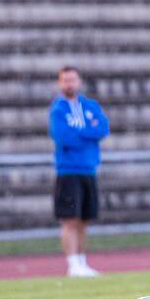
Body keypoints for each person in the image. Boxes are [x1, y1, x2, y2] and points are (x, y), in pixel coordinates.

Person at [48, 66, 109, 277]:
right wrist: (87, 133)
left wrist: (81, 133)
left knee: (84, 219)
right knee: (69, 219)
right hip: (68, 171)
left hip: (88, 169)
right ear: (60, 83)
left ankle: (82, 262)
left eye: (72, 79)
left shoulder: (90, 106)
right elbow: (64, 137)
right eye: (65, 80)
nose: (69, 84)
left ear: (79, 81)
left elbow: (101, 129)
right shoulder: (58, 110)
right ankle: (72, 264)